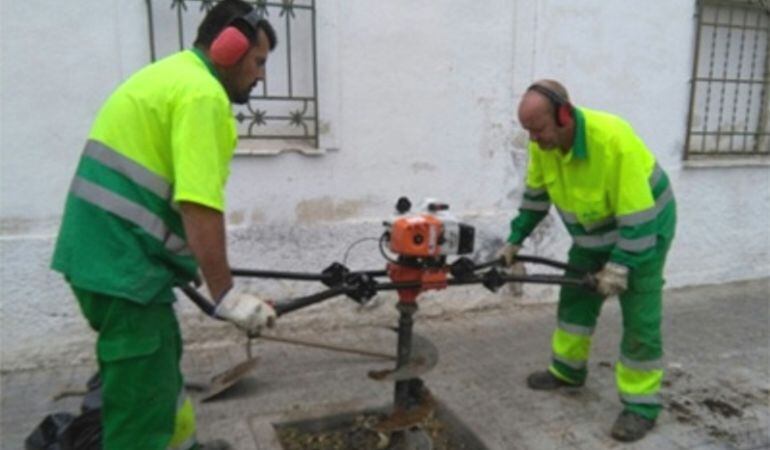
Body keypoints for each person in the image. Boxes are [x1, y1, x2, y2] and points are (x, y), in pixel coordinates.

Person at [51, 1, 278, 448]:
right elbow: (197, 205)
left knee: (158, 377)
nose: (261, 75)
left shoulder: (173, 75)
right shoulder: (201, 95)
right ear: (228, 47)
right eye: (258, 61)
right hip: (123, 270)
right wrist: (227, 295)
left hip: (110, 262)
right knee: (142, 413)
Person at [498, 80, 676, 442]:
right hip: (592, 236)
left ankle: (641, 406)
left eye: (539, 129)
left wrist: (620, 267)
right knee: (575, 302)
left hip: (645, 231)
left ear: (564, 115)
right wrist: (513, 241)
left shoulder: (613, 139)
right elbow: (535, 200)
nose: (534, 139)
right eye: (528, 131)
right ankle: (567, 371)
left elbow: (638, 220)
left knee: (640, 317)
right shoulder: (544, 146)